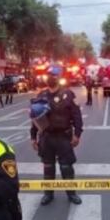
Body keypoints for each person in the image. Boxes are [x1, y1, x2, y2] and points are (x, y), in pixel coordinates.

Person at [30, 65, 84, 206]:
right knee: (48, 167)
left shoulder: (68, 94)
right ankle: (48, 194)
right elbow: (35, 118)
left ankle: (71, 194)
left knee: (66, 167)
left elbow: (77, 116)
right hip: (46, 137)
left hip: (63, 136)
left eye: (54, 75)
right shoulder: (41, 96)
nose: (51, 78)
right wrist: (33, 137)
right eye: (49, 75)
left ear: (59, 77)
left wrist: (77, 134)